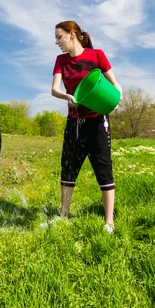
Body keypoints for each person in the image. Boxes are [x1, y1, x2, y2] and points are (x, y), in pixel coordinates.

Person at [51, 20, 122, 234]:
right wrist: (66, 95)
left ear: (72, 34)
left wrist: (116, 98)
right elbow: (54, 88)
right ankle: (64, 215)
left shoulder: (96, 55)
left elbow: (115, 84)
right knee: (68, 168)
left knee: (103, 168)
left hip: (98, 122)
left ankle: (109, 222)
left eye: (59, 37)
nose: (56, 42)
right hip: (75, 123)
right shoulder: (61, 60)